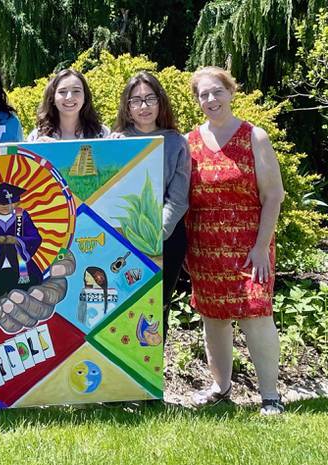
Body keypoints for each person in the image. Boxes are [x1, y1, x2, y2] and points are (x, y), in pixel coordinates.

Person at [186, 66, 285, 415]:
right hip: (204, 247)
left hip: (250, 247)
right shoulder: (190, 142)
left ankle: (271, 396)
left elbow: (274, 196)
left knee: (256, 315)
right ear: (197, 101)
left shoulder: (253, 136)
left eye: (217, 92)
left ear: (231, 92)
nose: (211, 99)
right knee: (213, 318)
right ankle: (221, 388)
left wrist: (261, 247)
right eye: (204, 94)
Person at [113, 71, 191, 343]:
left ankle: (152, 377)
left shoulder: (177, 143)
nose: (143, 106)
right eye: (136, 100)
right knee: (121, 308)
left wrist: (156, 235)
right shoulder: (115, 141)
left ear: (161, 102)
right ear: (127, 106)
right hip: (123, 241)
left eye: (150, 98)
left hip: (166, 239)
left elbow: (179, 199)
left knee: (156, 311)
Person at [27, 68, 110, 141]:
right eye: (62, 91)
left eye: (76, 91)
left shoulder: (102, 134)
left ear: (85, 97)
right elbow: (15, 152)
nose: (69, 97)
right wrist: (38, 150)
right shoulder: (36, 137)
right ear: (52, 98)